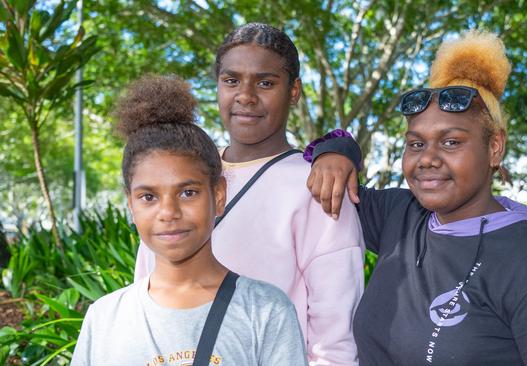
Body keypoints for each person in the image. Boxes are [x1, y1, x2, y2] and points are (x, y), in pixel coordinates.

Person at [306, 30, 527, 365]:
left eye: (451, 142)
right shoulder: (399, 215)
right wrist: (338, 151)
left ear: (495, 148)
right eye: (416, 143)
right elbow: (320, 182)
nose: (427, 159)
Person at [134, 23, 364, 365]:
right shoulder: (182, 176)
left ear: (294, 91)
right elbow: (147, 294)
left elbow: (335, 338)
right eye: (231, 81)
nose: (246, 96)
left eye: (266, 83)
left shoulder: (316, 184)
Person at [71, 75, 307, 365]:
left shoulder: (266, 311)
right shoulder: (104, 317)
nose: (168, 212)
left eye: (187, 192)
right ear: (130, 204)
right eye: (148, 197)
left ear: (218, 194)